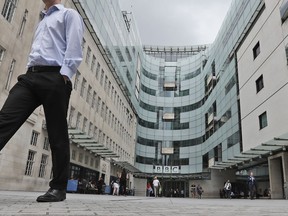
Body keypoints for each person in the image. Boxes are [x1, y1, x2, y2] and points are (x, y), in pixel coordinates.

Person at [0, 0, 84, 202]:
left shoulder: (68, 15)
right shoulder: (42, 20)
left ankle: (58, 188)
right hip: (30, 77)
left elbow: (74, 46)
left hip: (55, 77)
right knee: (4, 120)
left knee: (56, 134)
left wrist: (64, 75)